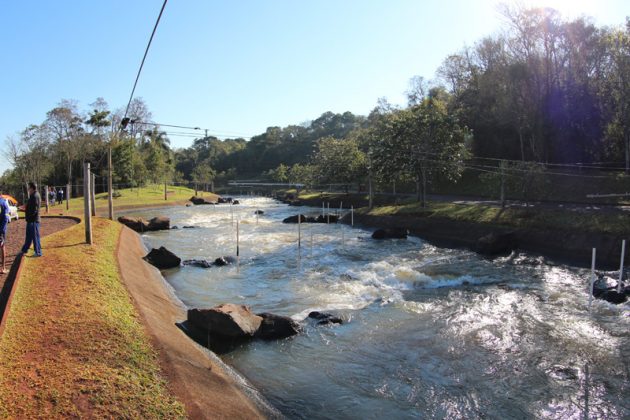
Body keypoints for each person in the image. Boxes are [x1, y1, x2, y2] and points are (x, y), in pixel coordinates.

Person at [20, 182, 42, 257]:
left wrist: (25, 211)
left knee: (35, 237)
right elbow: (30, 206)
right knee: (29, 237)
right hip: (30, 220)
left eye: (29, 188)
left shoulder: (35, 196)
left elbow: (34, 210)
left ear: (32, 188)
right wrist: (24, 207)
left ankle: (38, 252)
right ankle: (24, 250)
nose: (28, 189)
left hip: (34, 220)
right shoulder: (33, 195)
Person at [0, 192, 9, 273]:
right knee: (2, 247)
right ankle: (3, 268)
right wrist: (2, 231)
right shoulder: (3, 203)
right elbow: (6, 218)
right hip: (1, 230)